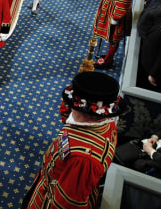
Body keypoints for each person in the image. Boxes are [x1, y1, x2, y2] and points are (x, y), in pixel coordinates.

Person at [21, 71, 125, 209]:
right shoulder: (106, 122)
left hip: (49, 199)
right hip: (51, 180)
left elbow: (67, 203)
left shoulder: (83, 160)